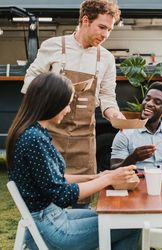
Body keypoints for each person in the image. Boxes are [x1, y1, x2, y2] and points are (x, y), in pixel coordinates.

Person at [6, 72, 140, 250]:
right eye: (66, 105)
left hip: (49, 219)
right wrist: (107, 180)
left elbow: (56, 179)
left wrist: (98, 176)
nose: (68, 110)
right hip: (51, 228)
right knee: (130, 225)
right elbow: (62, 195)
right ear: (51, 103)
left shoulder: (32, 132)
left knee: (121, 218)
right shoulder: (34, 139)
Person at [21, 0, 125, 207]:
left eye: (109, 30)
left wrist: (115, 115)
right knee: (49, 198)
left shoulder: (106, 58)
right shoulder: (53, 46)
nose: (105, 35)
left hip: (84, 138)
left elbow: (107, 96)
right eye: (102, 27)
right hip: (50, 137)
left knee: (82, 202)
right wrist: (54, 92)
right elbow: (30, 80)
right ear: (85, 21)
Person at [110, 81, 162, 172]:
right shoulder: (125, 134)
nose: (149, 104)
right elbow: (114, 170)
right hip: (139, 184)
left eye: (157, 102)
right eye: (147, 99)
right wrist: (133, 158)